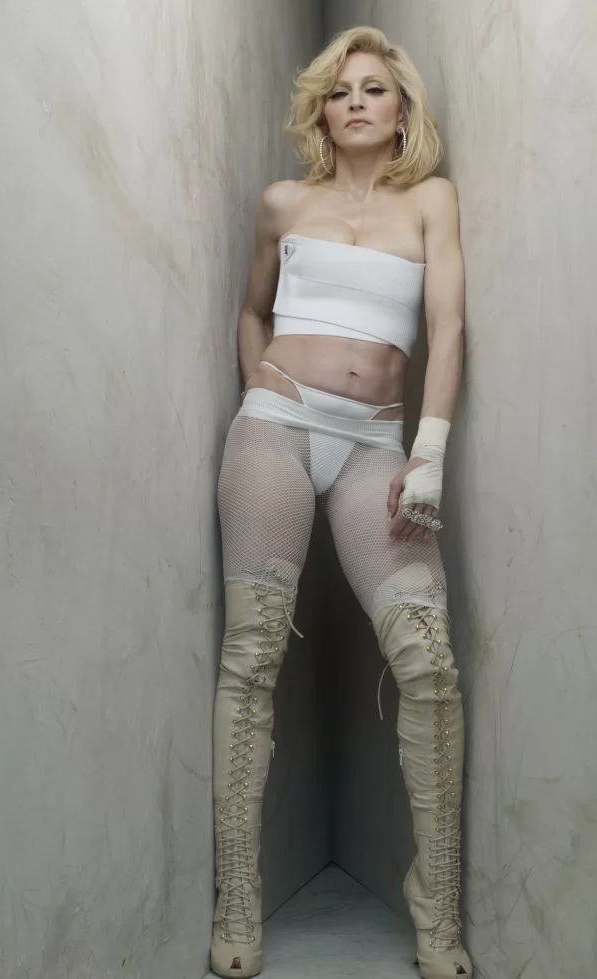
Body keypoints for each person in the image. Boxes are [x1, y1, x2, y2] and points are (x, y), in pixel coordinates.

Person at [210, 25, 472, 979]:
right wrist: (260, 385)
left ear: (401, 111)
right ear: (321, 112)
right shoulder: (283, 202)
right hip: (275, 431)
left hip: (377, 448)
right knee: (251, 657)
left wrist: (427, 453)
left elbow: (447, 325)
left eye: (373, 88)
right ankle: (238, 897)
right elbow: (251, 309)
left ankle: (435, 910)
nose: (355, 102)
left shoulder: (429, 201)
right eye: (338, 91)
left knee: (428, 663)